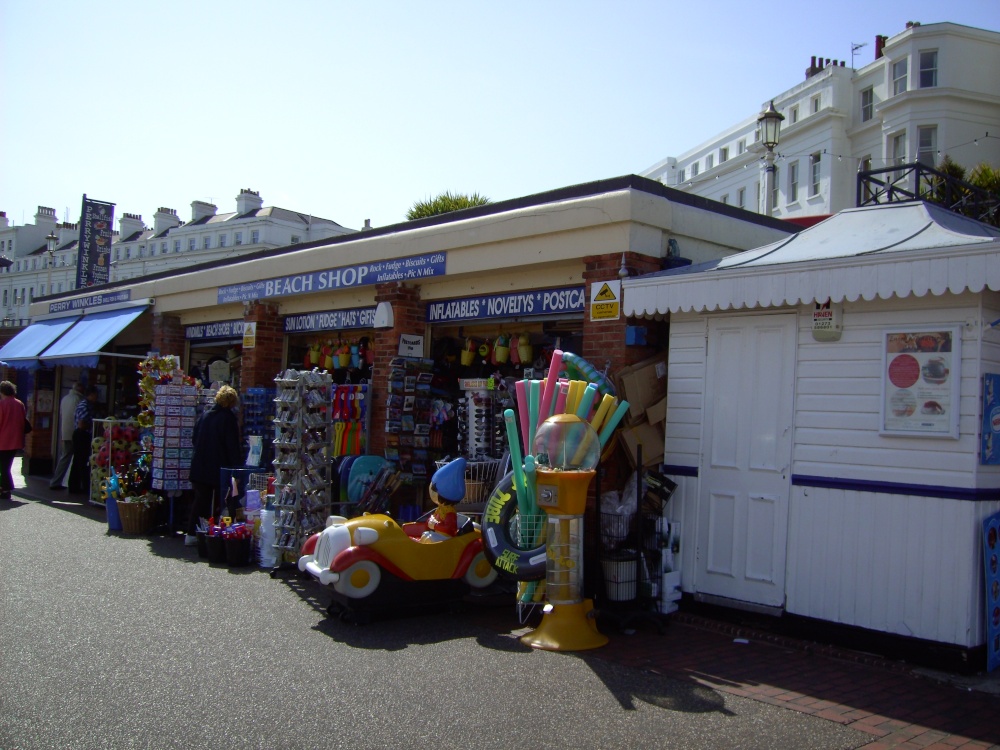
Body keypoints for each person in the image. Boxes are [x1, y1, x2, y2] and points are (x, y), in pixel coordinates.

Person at [187, 385, 243, 546]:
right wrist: (237, 467)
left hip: (199, 464)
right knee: (222, 501)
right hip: (219, 466)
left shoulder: (205, 415)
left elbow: (194, 439)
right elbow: (232, 446)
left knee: (200, 501)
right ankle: (217, 535)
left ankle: (193, 534)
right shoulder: (228, 419)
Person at [419, 457, 466, 542]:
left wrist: (435, 525)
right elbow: (432, 519)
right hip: (439, 535)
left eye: (434, 489)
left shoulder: (449, 513)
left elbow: (450, 529)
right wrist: (431, 521)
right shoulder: (440, 509)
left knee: (429, 538)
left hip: (446, 538)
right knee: (425, 535)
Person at [49, 382, 84, 490]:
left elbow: (61, 414)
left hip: (65, 432)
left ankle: (56, 481)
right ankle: (68, 483)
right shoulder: (79, 400)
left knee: (65, 457)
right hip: (75, 432)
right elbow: (79, 417)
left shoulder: (65, 399)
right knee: (76, 458)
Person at [68, 385, 98, 496]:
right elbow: (81, 424)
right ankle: (82, 486)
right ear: (91, 394)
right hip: (81, 435)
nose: (96, 398)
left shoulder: (89, 405)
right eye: (95, 395)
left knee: (78, 460)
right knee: (81, 461)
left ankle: (75, 486)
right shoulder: (84, 405)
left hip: (83, 434)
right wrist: (92, 424)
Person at [0, 380, 27, 500]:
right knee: (6, 465)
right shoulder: (19, 404)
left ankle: (6, 489)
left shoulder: (2, 404)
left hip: (3, 440)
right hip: (16, 440)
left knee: (4, 467)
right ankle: (5, 487)